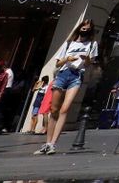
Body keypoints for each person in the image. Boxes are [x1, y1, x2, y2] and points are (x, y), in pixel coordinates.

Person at [37, 18, 98, 155]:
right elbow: (58, 64)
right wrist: (67, 59)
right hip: (63, 73)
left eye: (87, 28)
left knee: (65, 109)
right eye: (83, 27)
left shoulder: (92, 44)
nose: (85, 29)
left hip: (76, 76)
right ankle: (47, 142)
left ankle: (53, 144)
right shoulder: (69, 43)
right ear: (79, 28)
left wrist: (85, 58)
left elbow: (89, 64)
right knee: (54, 109)